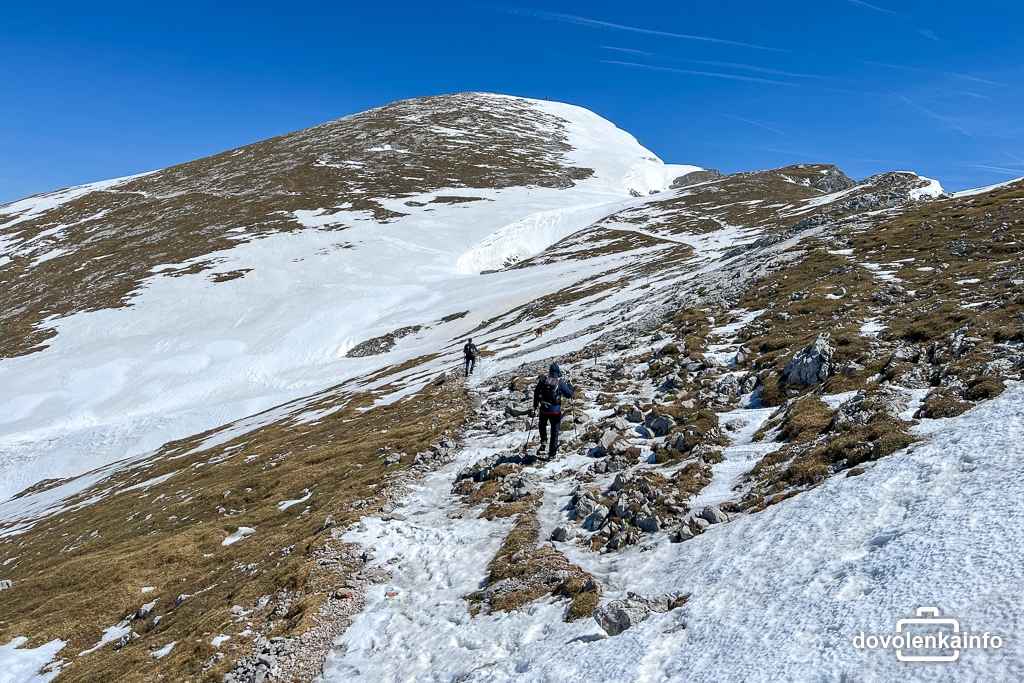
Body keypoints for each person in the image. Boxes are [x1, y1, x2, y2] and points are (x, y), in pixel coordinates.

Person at [531, 362, 575, 457]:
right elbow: (569, 394)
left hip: (543, 409)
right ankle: (552, 453)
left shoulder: (543, 380)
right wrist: (571, 387)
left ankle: (543, 441)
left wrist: (535, 405)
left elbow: (536, 392)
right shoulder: (560, 382)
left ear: (550, 371)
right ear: (558, 372)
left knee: (542, 425)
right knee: (554, 431)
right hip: (555, 411)